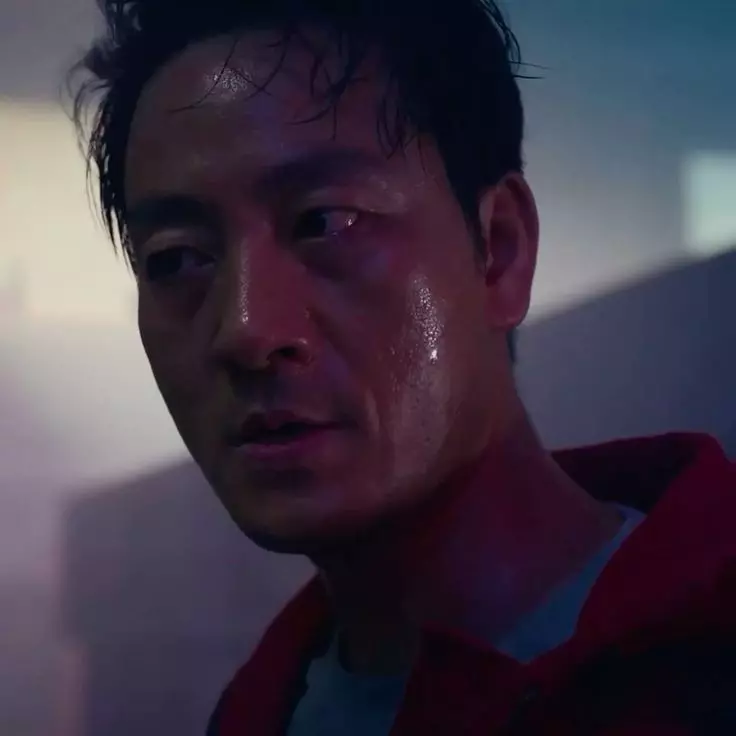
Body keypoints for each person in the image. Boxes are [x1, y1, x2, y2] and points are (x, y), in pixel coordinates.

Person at [72, 1, 736, 733]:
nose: (247, 329)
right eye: (176, 259)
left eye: (325, 222)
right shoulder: (259, 711)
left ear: (499, 250)